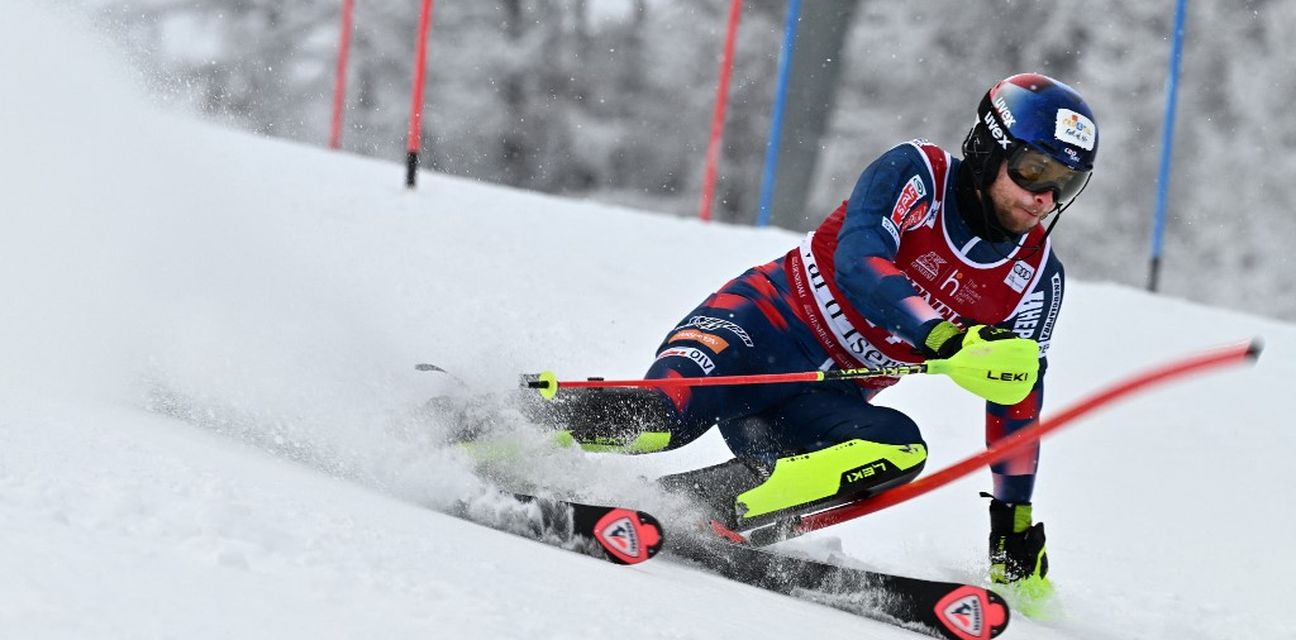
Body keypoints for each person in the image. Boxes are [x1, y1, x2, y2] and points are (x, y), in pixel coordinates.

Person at [526, 73, 1096, 597]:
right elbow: (860, 261)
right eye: (1032, 170)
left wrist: (1013, 520)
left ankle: (688, 510)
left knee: (897, 449)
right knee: (663, 420)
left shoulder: (1037, 279)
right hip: (758, 329)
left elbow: (1017, 394)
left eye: (1063, 184)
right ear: (989, 149)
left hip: (826, 398)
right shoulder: (916, 172)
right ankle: (497, 422)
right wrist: (945, 337)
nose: (1042, 198)